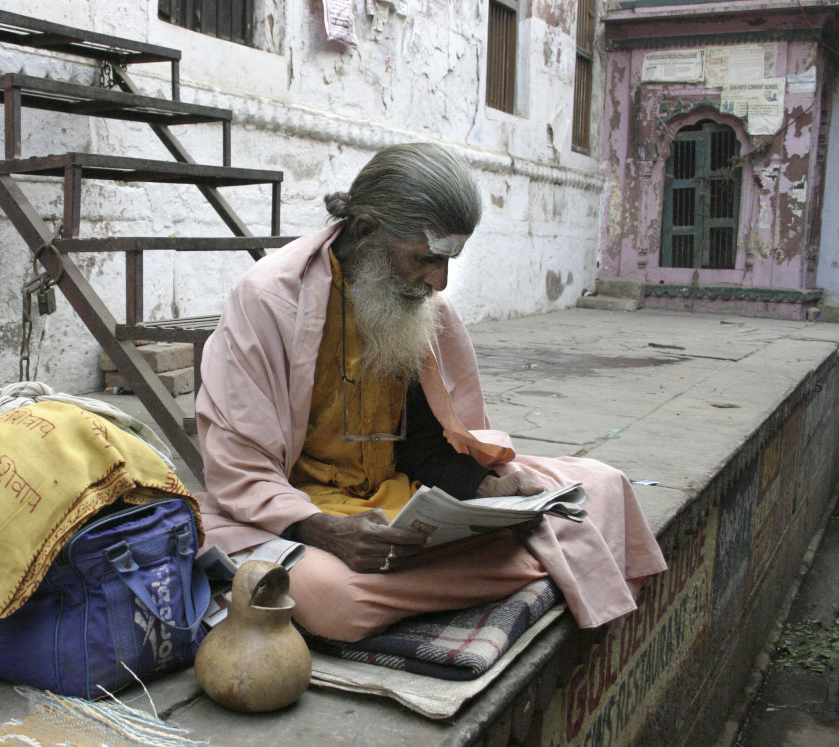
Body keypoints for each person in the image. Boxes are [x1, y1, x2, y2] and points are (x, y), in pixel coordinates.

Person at [195, 143, 666, 642]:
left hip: (399, 503)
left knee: (602, 484)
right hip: (296, 510)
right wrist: (320, 530)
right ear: (368, 232)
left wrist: (483, 490)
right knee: (336, 600)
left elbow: (422, 441)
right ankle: (531, 567)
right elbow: (238, 467)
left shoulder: (415, 302)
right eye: (425, 259)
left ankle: (481, 566)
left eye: (448, 262)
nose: (438, 283)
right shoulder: (267, 300)